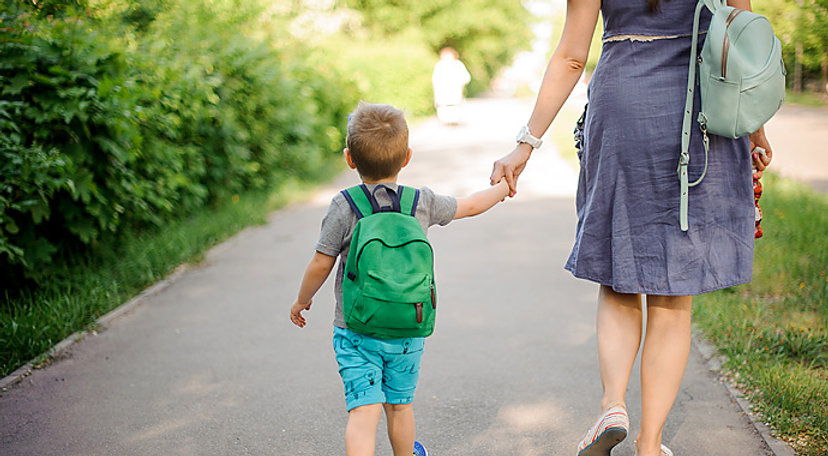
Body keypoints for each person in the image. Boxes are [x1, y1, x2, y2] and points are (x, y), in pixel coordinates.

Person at [489, 1, 774, 456]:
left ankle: (613, 404)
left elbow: (572, 57)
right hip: (701, 111)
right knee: (673, 290)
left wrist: (526, 143)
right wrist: (755, 126)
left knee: (620, 269)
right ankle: (650, 443)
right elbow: (744, 39)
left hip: (623, 104)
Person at [290, 102, 510, 456]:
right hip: (409, 325)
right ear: (407, 157)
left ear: (349, 158)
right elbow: (469, 205)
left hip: (355, 328)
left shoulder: (345, 205)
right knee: (400, 405)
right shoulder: (419, 202)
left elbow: (321, 261)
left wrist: (303, 300)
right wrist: (503, 188)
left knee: (363, 412)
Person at [432, 47, 471, 124]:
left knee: (455, 113)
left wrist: (460, 83)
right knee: (445, 115)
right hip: (442, 94)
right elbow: (435, 81)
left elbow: (466, 78)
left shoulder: (458, 65)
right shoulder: (439, 65)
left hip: (455, 93)